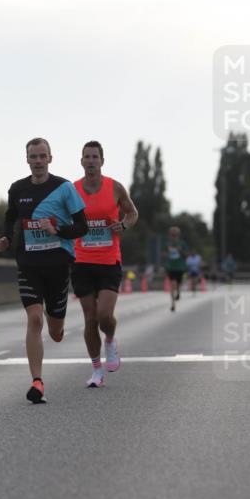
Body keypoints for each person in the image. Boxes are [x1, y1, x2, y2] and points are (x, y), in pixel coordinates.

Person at [0, 137, 88, 404]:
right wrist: (6, 239)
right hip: (29, 265)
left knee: (55, 332)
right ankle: (37, 381)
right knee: (34, 319)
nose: (37, 161)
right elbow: (10, 217)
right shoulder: (17, 189)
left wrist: (57, 229)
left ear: (50, 158)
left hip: (58, 265)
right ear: (27, 159)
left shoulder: (65, 188)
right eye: (33, 157)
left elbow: (82, 227)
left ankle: (56, 324)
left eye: (42, 156)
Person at [72, 141, 138, 388]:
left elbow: (132, 213)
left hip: (109, 260)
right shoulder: (72, 190)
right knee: (90, 318)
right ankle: (96, 370)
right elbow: (61, 216)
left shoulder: (115, 187)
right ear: (81, 161)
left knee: (104, 316)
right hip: (81, 260)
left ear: (102, 161)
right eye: (87, 157)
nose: (91, 161)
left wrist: (124, 225)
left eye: (95, 157)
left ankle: (110, 340)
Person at [162, 226, 188, 311]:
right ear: (170, 234)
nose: (173, 236)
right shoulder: (167, 243)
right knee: (173, 284)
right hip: (171, 267)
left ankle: (179, 292)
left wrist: (180, 251)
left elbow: (186, 254)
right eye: (172, 234)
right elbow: (163, 254)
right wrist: (167, 253)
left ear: (178, 234)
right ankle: (173, 304)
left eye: (175, 234)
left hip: (180, 267)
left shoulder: (182, 243)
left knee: (178, 284)